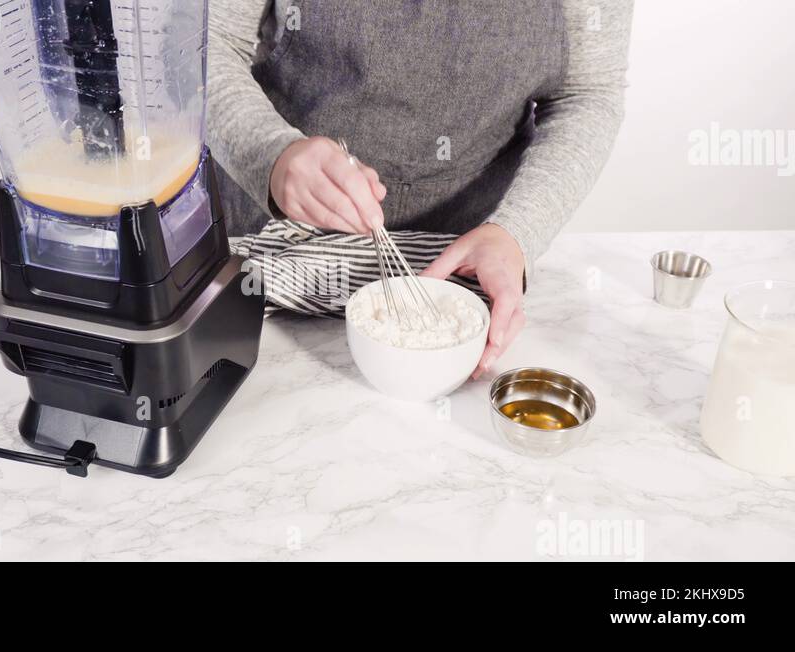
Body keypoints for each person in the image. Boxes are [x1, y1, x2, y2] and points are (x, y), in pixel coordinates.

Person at [208, 0, 633, 378]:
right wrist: (271, 154)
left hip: (460, 273)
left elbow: (587, 92)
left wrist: (516, 232)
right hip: (266, 257)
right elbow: (209, 43)